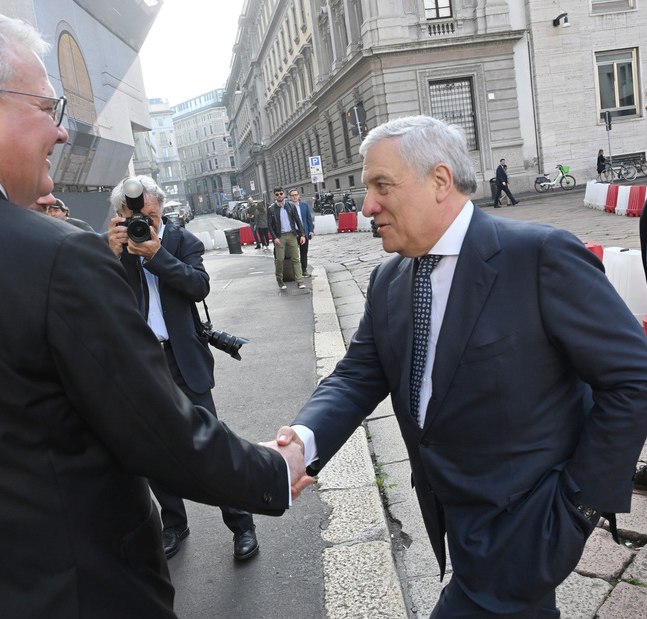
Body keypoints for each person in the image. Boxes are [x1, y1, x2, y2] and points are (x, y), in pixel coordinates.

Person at [0, 8, 310, 618]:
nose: (62, 132)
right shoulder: (56, 256)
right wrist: (273, 472)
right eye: (49, 109)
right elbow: (161, 435)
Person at [276, 115, 647, 618]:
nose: (367, 207)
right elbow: (358, 375)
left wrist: (577, 507)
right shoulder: (389, 279)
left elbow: (632, 377)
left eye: (381, 186)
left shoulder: (538, 256)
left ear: (439, 181)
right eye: (367, 189)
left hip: (526, 526)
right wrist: (301, 443)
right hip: (452, 521)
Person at [105, 176, 261, 561]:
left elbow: (198, 286)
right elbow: (97, 300)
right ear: (121, 215)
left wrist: (156, 255)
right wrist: (110, 257)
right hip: (138, 363)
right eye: (137, 217)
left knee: (211, 445)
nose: (146, 224)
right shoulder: (107, 247)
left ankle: (242, 524)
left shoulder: (180, 240)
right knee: (152, 451)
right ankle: (174, 524)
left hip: (181, 358)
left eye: (153, 216)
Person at [268, 186, 306, 290]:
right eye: (277, 194)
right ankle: (280, 279)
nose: (279, 196)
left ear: (284, 194)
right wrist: (274, 237)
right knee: (280, 259)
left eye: (281, 193)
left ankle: (299, 280)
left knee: (296, 259)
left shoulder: (290, 206)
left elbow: (298, 220)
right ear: (274, 196)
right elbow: (270, 225)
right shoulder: (271, 209)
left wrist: (302, 234)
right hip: (280, 236)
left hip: (292, 234)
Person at [290, 189, 314, 276]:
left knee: (304, 252)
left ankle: (304, 270)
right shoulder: (288, 206)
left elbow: (309, 218)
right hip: (293, 232)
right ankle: (295, 271)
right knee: (293, 253)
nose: (294, 196)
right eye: (292, 195)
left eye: (296, 195)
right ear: (290, 197)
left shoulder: (304, 205)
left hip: (304, 231)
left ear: (298, 195)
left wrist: (311, 230)